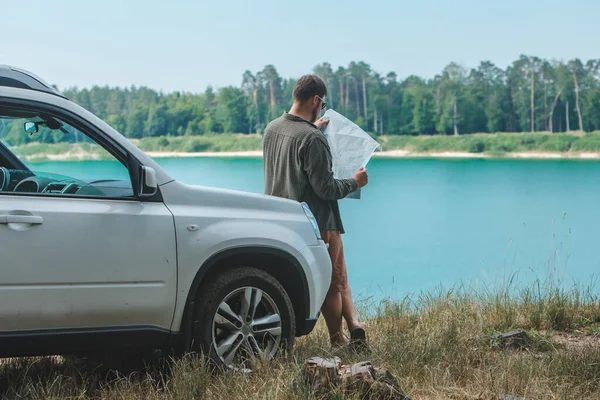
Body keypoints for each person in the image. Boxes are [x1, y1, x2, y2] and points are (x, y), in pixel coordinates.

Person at [262, 74, 369, 350]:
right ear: (315, 100)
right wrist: (355, 182)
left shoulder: (272, 129)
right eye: (322, 105)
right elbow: (326, 189)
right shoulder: (312, 139)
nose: (321, 109)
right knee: (332, 284)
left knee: (339, 276)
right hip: (317, 223)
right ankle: (337, 342)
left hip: (281, 218)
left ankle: (354, 327)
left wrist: (314, 127)